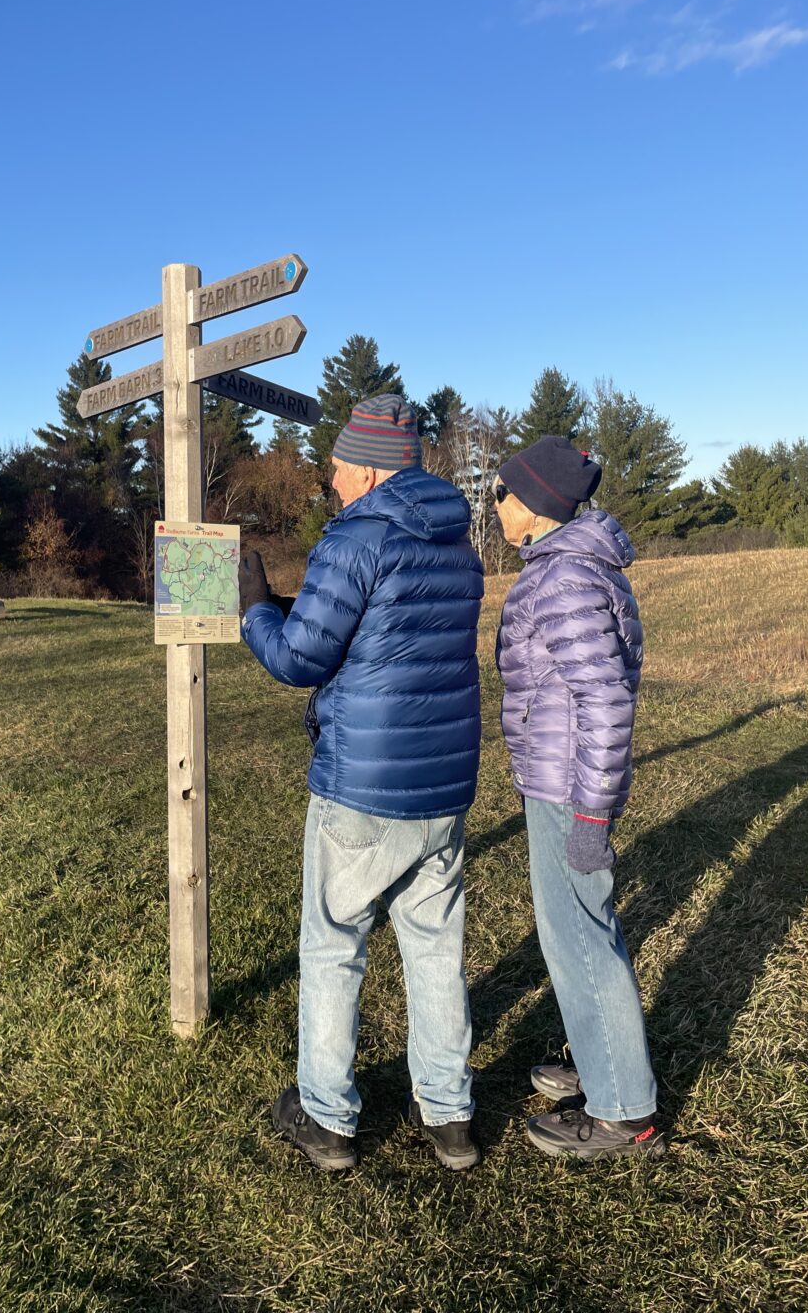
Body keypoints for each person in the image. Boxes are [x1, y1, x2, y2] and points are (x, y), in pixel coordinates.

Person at [238, 394, 484, 1172]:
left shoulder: (358, 535)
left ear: (371, 466)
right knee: (436, 953)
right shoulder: (456, 537)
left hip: (363, 786)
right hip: (443, 782)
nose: (332, 478)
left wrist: (253, 610)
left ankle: (327, 1118)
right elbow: (385, 634)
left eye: (340, 465)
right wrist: (295, 605)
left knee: (334, 946)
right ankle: (449, 1116)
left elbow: (300, 660)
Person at [492, 435, 665, 1159]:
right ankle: (601, 1066)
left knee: (580, 938)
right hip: (563, 778)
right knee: (580, 931)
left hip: (570, 787)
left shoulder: (562, 579)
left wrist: (591, 815)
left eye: (499, 491)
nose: (494, 502)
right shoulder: (575, 567)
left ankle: (624, 1112)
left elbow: (604, 698)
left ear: (531, 505)